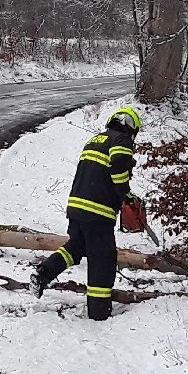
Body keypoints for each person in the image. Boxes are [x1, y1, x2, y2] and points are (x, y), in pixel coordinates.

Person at [30, 106, 141, 320]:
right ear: (131, 128)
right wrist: (125, 195)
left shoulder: (95, 140)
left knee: (76, 247)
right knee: (104, 259)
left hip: (77, 206)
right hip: (98, 211)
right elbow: (118, 166)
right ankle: (99, 315)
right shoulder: (122, 141)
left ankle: (43, 274)